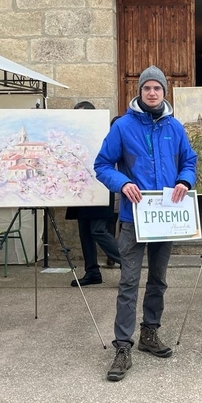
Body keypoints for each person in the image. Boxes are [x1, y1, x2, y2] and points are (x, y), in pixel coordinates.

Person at [94, 66, 197, 382]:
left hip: (164, 219)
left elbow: (189, 161)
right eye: (147, 88)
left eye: (157, 88)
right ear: (139, 91)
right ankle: (122, 345)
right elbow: (102, 164)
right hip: (133, 219)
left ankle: (149, 333)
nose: (152, 92)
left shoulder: (175, 128)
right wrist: (122, 183)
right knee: (128, 282)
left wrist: (184, 179)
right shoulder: (123, 127)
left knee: (158, 280)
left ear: (164, 92)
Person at [65, 101, 122, 287]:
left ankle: (129, 263)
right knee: (84, 232)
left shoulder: (105, 133)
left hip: (100, 187)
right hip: (81, 189)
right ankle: (92, 272)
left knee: (98, 229)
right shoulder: (74, 134)